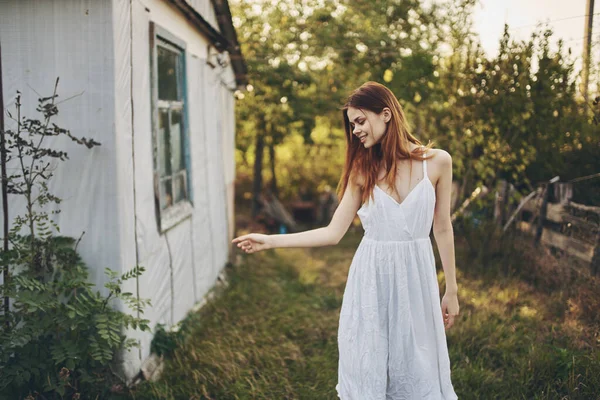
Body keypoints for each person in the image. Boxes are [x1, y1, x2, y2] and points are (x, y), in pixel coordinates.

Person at [232, 81, 460, 399]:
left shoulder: (437, 162)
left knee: (416, 367)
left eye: (360, 121)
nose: (354, 131)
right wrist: (270, 241)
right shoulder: (362, 171)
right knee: (370, 368)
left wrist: (450, 289)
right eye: (352, 125)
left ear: (386, 114)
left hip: (416, 283)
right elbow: (332, 233)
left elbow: (443, 227)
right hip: (371, 283)